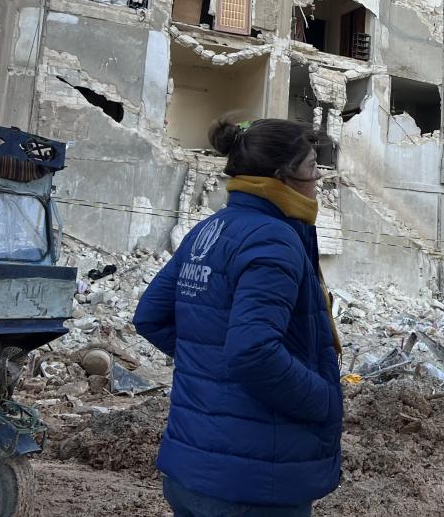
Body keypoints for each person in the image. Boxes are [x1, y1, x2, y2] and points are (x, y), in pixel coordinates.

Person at [134, 117, 343, 517]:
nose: (319, 179)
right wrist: (323, 399)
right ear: (284, 177)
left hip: (191, 470)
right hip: (253, 484)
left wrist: (212, 365)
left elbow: (151, 317)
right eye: (313, 167)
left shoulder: (210, 230)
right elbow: (252, 352)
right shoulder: (273, 238)